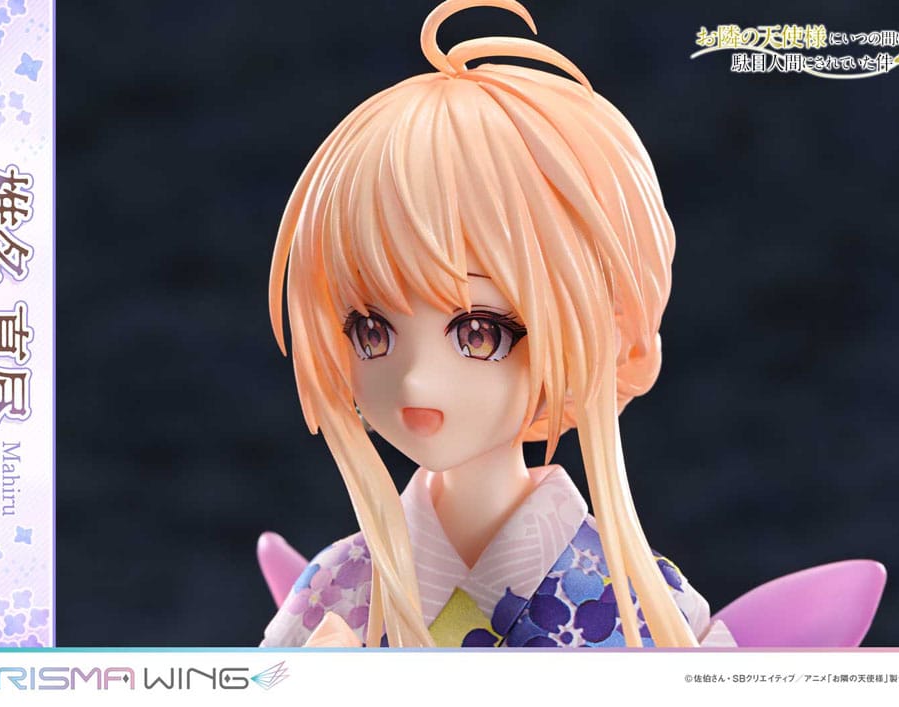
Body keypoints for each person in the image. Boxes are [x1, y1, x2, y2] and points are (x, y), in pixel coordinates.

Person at [262, 0, 729, 648]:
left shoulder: (640, 601)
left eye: (478, 333)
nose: (415, 378)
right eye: (371, 331)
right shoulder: (338, 587)